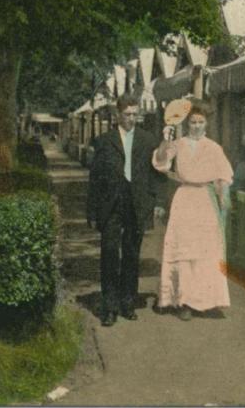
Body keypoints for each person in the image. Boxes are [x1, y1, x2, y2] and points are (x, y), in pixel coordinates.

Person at [152, 99, 233, 321]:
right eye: (193, 122)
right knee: (184, 250)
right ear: (187, 123)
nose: (196, 126)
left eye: (200, 122)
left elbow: (224, 175)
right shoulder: (178, 144)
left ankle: (204, 301)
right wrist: (164, 140)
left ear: (206, 123)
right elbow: (160, 163)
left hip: (206, 202)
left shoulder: (214, 148)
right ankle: (183, 301)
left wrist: (223, 197)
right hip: (185, 199)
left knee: (204, 250)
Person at [87, 94, 163, 326]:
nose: (131, 119)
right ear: (117, 115)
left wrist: (157, 202)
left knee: (131, 255)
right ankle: (109, 307)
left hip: (136, 204)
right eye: (127, 114)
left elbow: (156, 174)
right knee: (110, 254)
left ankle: (128, 303)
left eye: (135, 114)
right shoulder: (103, 141)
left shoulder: (148, 140)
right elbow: (95, 179)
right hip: (111, 205)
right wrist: (91, 212)